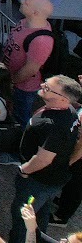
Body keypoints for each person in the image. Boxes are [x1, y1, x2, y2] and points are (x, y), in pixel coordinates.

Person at [6, 75, 82, 243]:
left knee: (22, 217)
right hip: (54, 179)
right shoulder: (69, 111)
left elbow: (43, 159)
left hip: (37, 181)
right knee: (40, 212)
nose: (41, 86)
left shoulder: (53, 125)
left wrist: (23, 170)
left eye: (47, 88)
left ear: (62, 99)